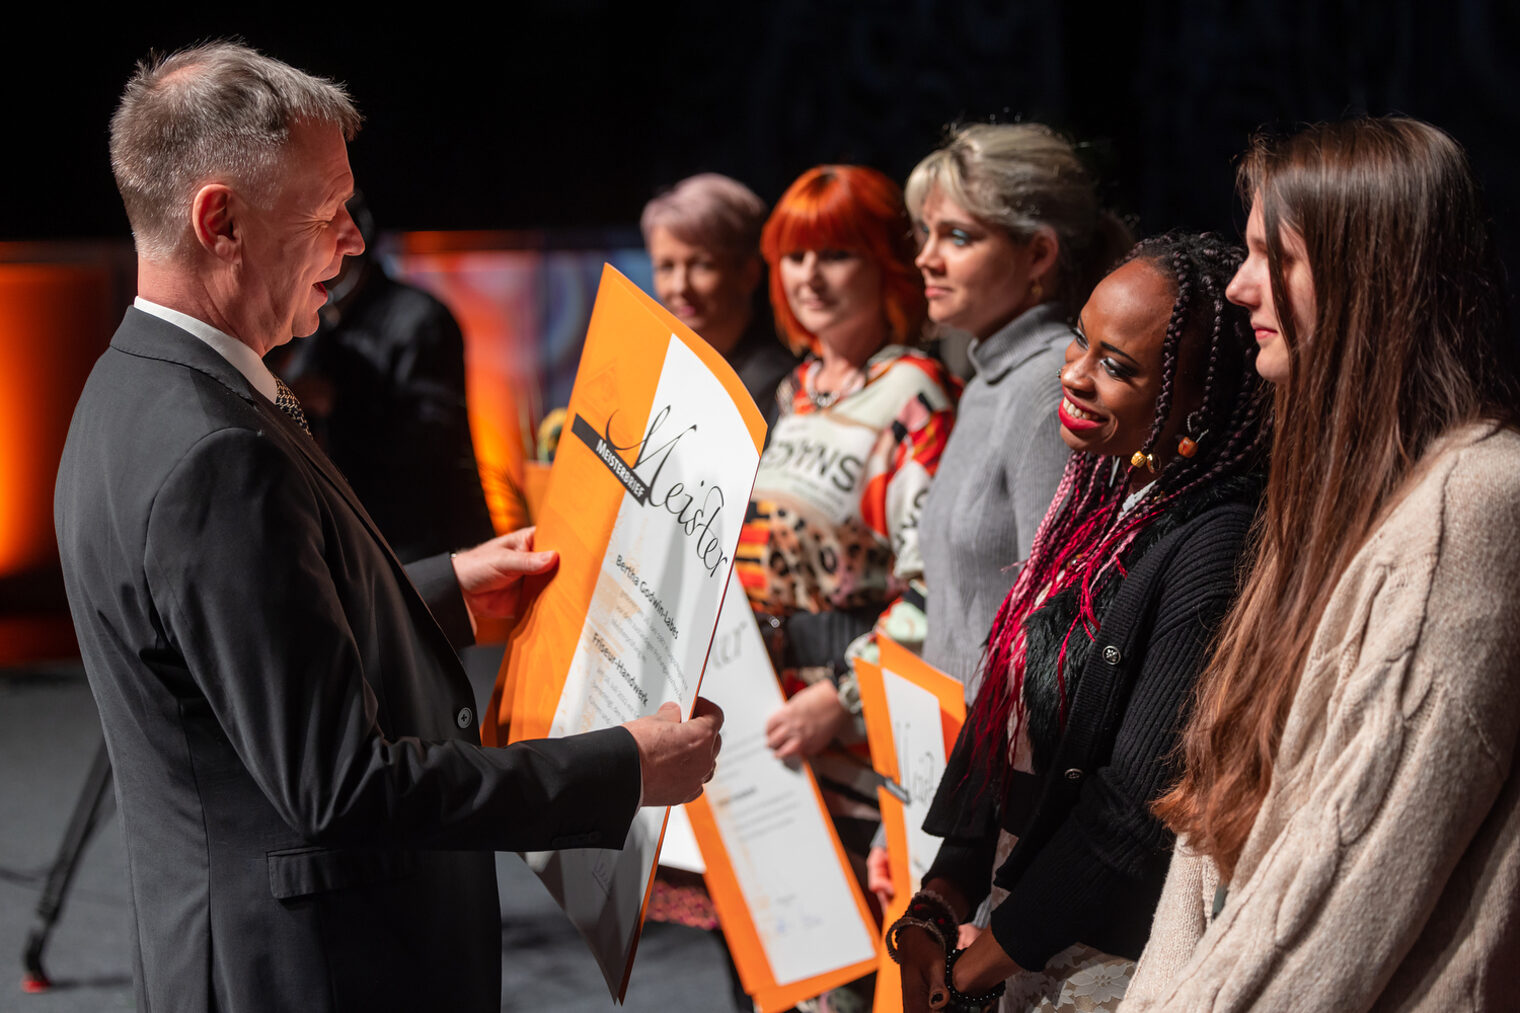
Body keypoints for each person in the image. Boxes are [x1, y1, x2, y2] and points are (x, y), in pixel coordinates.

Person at [53, 42, 722, 1013]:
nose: (354, 244)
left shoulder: (136, 381)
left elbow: (240, 650)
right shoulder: (213, 451)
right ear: (220, 219)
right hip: (311, 968)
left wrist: (443, 590)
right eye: (330, 216)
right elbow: (344, 787)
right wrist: (621, 765)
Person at [1126, 119, 1520, 1010]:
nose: (1238, 285)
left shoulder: (1477, 503)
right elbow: (1214, 842)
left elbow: (1344, 889)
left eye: (1277, 257)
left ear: (1369, 275)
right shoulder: (1332, 502)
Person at [889, 233, 1270, 1012]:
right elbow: (1010, 718)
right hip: (1016, 932)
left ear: (1196, 403)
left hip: (1103, 966)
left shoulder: (1217, 540)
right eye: (1080, 341)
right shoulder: (1098, 493)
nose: (1073, 374)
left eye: (1116, 366)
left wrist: (975, 966)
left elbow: (1134, 811)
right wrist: (941, 897)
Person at [737, 165, 957, 825]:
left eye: (835, 253)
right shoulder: (793, 390)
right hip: (765, 713)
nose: (809, 275)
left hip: (855, 730)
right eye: (794, 255)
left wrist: (842, 695)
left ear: (887, 263)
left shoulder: (914, 392)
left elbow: (935, 587)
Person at [268, 191, 496, 563]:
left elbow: (431, 453)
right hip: (363, 550)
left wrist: (338, 404)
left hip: (431, 555)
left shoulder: (419, 320)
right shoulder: (322, 323)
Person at [642, 172, 798, 431]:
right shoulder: (655, 370)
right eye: (666, 267)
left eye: (702, 265)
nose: (680, 287)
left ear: (749, 272)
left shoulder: (778, 386)